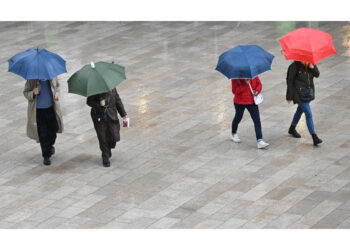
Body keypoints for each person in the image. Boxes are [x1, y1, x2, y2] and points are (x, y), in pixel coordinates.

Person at [23, 77, 64, 165]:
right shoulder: (32, 79)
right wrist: (33, 93)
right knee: (43, 133)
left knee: (54, 129)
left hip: (51, 108)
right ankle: (46, 156)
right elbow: (26, 92)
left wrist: (56, 94)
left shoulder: (52, 76)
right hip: (38, 111)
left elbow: (57, 87)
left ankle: (50, 145)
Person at [87, 88, 127, 167]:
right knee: (103, 137)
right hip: (99, 117)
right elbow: (89, 102)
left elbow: (117, 100)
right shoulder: (95, 89)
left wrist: (123, 114)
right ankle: (105, 157)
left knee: (114, 136)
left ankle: (108, 148)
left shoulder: (112, 88)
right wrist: (99, 104)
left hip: (112, 115)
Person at [286, 61, 322, 146]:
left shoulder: (311, 63)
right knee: (308, 113)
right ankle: (314, 137)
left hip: (308, 93)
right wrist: (289, 96)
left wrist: (312, 67)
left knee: (299, 111)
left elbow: (317, 74)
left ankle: (292, 128)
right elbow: (290, 81)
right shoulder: (294, 66)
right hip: (298, 94)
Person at [230, 77, 269, 149]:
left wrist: (257, 91)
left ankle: (259, 140)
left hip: (251, 101)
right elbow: (234, 91)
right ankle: (233, 133)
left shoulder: (253, 75)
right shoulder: (236, 77)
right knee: (238, 117)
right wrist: (245, 84)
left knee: (257, 120)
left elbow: (259, 84)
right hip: (240, 102)